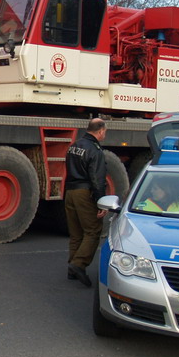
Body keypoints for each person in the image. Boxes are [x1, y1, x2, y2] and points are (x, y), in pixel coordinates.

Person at [64, 117, 108, 287]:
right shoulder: (95, 150)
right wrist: (101, 202)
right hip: (84, 192)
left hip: (70, 191)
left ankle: (71, 268)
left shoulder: (74, 145)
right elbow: (97, 179)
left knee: (76, 233)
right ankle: (78, 264)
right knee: (93, 230)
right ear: (101, 131)